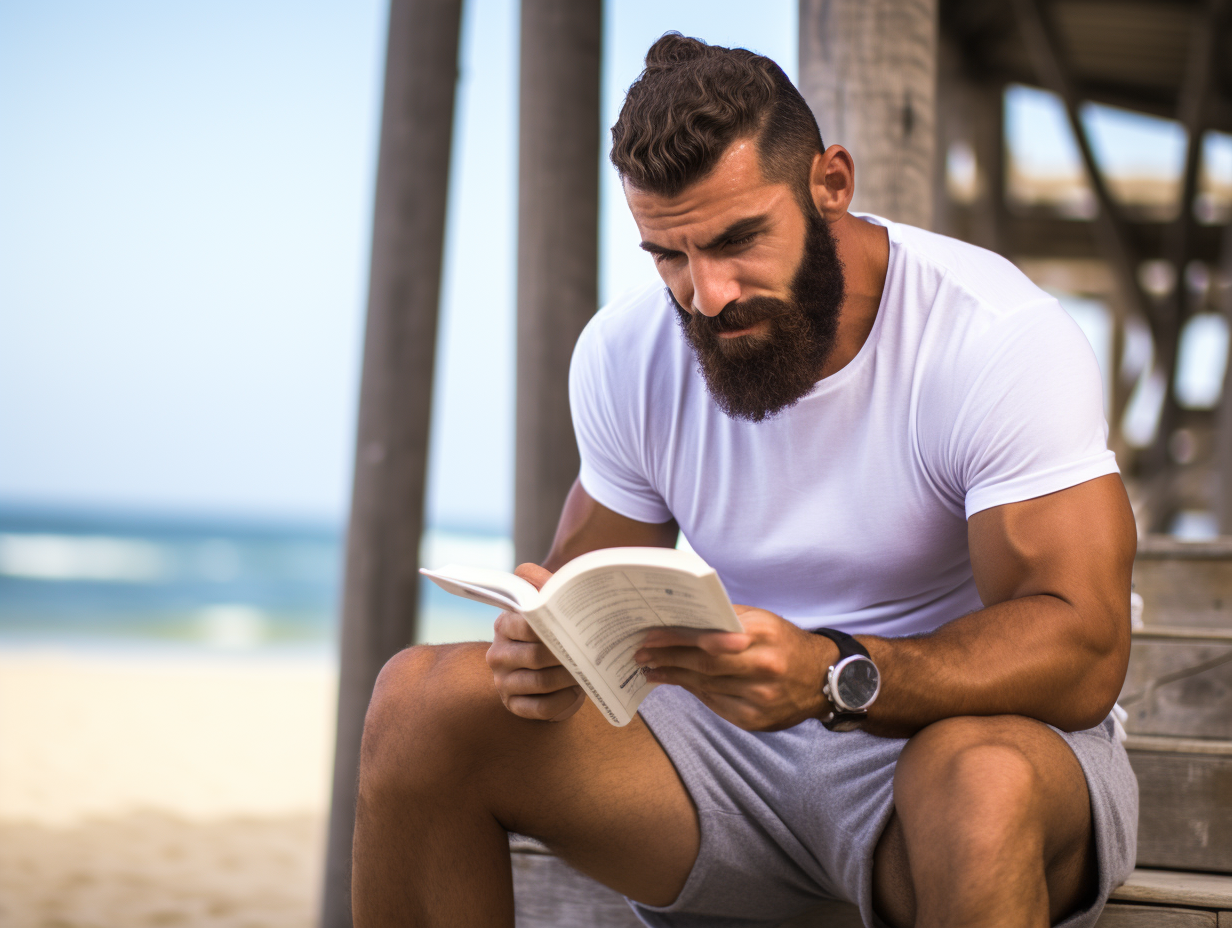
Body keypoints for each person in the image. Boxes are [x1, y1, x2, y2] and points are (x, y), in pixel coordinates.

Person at [351, 34, 1138, 928]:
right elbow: (586, 596)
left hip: (944, 744)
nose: (708, 294)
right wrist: (546, 654)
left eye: (738, 240)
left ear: (830, 183)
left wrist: (835, 675)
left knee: (978, 782)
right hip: (725, 760)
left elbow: (1085, 650)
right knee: (419, 703)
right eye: (669, 255)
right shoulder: (627, 352)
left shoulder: (992, 338)